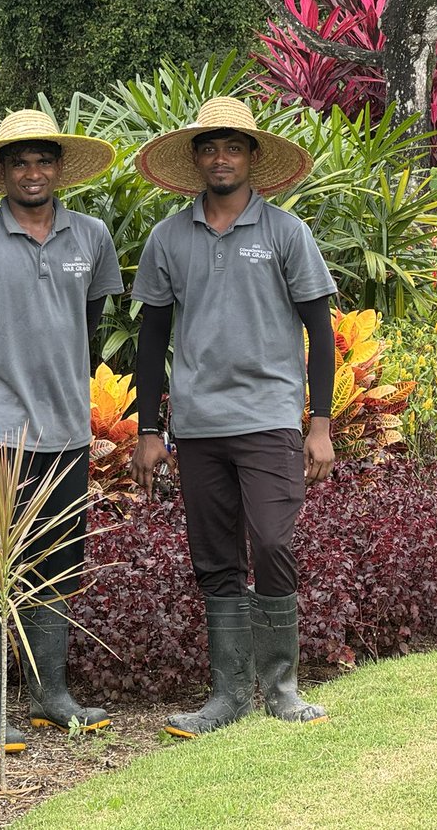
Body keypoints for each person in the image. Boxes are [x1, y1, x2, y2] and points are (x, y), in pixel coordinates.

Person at [129, 97, 337, 738]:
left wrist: (320, 424)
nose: (221, 158)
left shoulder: (284, 233)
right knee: (215, 556)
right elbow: (151, 338)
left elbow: (320, 332)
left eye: (233, 147)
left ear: (252, 157)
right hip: (197, 424)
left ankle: (281, 687)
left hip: (270, 414)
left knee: (274, 543)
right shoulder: (168, 237)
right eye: (210, 147)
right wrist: (148, 428)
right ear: (195, 158)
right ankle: (227, 696)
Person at [0, 109, 121, 752]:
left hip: (68, 429)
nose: (33, 172)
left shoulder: (92, 237)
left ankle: (51, 696)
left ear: (60, 168)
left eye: (44, 160)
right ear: (1, 172)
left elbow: (86, 319)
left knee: (59, 565)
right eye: (19, 162)